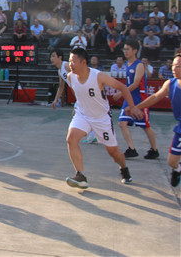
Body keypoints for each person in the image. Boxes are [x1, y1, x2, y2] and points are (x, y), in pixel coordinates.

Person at [63, 48, 135, 189]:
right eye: (70, 61)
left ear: (84, 62)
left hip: (101, 118)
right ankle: (80, 175)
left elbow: (123, 87)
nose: (70, 64)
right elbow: (77, 93)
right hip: (82, 115)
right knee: (71, 139)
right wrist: (77, 106)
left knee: (113, 153)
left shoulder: (98, 76)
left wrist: (132, 107)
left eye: (73, 61)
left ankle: (123, 167)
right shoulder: (71, 77)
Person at [127, 54, 181, 186]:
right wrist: (136, 107)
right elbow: (155, 97)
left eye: (178, 66)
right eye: (174, 65)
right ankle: (178, 170)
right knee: (172, 162)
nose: (174, 68)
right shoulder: (170, 84)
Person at [113, 40, 159, 160]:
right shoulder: (127, 64)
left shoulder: (139, 65)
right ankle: (131, 149)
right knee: (122, 123)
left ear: (135, 51)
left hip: (140, 99)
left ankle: (154, 150)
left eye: (127, 49)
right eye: (124, 49)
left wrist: (122, 92)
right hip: (129, 98)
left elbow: (136, 83)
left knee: (145, 125)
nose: (125, 51)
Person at [49, 49, 95, 143]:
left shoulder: (66, 65)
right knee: (80, 114)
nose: (51, 59)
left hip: (84, 91)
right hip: (79, 95)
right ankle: (93, 134)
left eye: (53, 56)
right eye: (51, 57)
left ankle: (92, 134)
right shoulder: (60, 71)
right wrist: (55, 100)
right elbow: (61, 86)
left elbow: (81, 72)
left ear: (60, 57)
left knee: (79, 114)